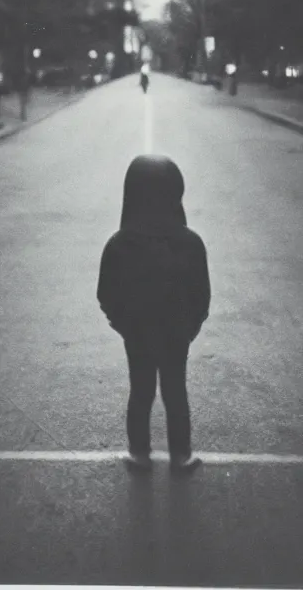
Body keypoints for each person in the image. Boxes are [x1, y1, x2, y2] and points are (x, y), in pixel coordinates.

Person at [97, 155, 210, 473]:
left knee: (141, 390)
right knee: (175, 392)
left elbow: (106, 294)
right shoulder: (190, 244)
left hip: (137, 333)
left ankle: (139, 452)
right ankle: (180, 454)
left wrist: (124, 325)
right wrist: (190, 326)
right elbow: (202, 294)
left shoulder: (119, 245)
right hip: (176, 333)